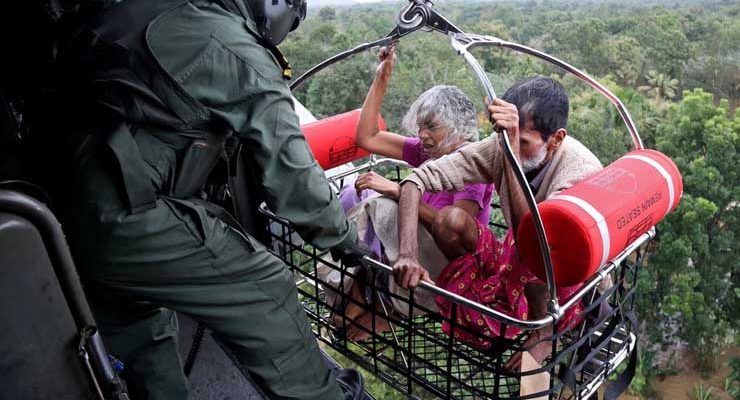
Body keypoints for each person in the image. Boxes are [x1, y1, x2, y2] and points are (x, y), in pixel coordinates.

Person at [52, 0, 367, 399]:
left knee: (143, 332)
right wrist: (343, 239)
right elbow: (294, 172)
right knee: (264, 288)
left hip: (59, 209)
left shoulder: (154, 10)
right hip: (124, 212)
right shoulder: (233, 46)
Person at [392, 76, 603, 369]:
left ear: (555, 139)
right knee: (449, 220)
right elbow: (416, 180)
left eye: (523, 142)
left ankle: (544, 330)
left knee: (540, 260)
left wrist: (511, 156)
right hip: (517, 254)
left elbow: (539, 245)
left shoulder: (579, 171)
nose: (507, 146)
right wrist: (408, 254)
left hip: (560, 274)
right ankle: (481, 298)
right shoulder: (502, 145)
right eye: (504, 137)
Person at [335, 45, 494, 340]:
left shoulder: (473, 167)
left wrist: (397, 192)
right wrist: (381, 79)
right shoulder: (427, 153)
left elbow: (455, 230)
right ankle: (367, 281)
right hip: (407, 245)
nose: (422, 135)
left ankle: (384, 305)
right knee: (351, 189)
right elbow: (367, 136)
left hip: (443, 263)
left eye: (431, 127)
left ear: (458, 127)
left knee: (381, 201)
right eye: (420, 127)